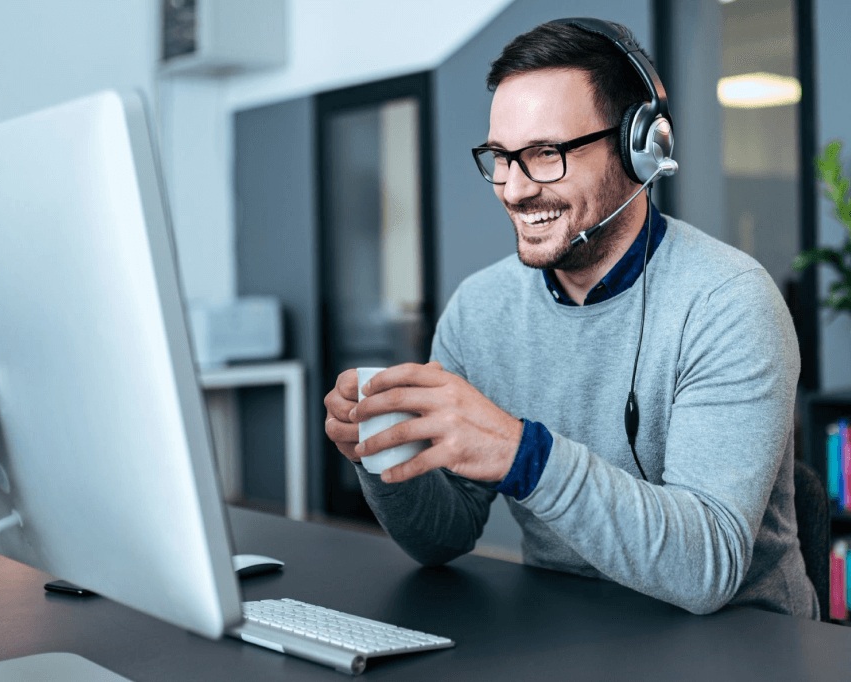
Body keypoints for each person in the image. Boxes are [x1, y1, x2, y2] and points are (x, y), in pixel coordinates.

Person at [322, 18, 817, 619]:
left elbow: (707, 568)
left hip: (742, 651)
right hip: (567, 631)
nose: (513, 188)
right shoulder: (478, 311)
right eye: (501, 157)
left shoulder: (730, 303)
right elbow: (442, 537)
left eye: (544, 155)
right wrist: (383, 455)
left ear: (639, 148)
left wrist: (523, 455)